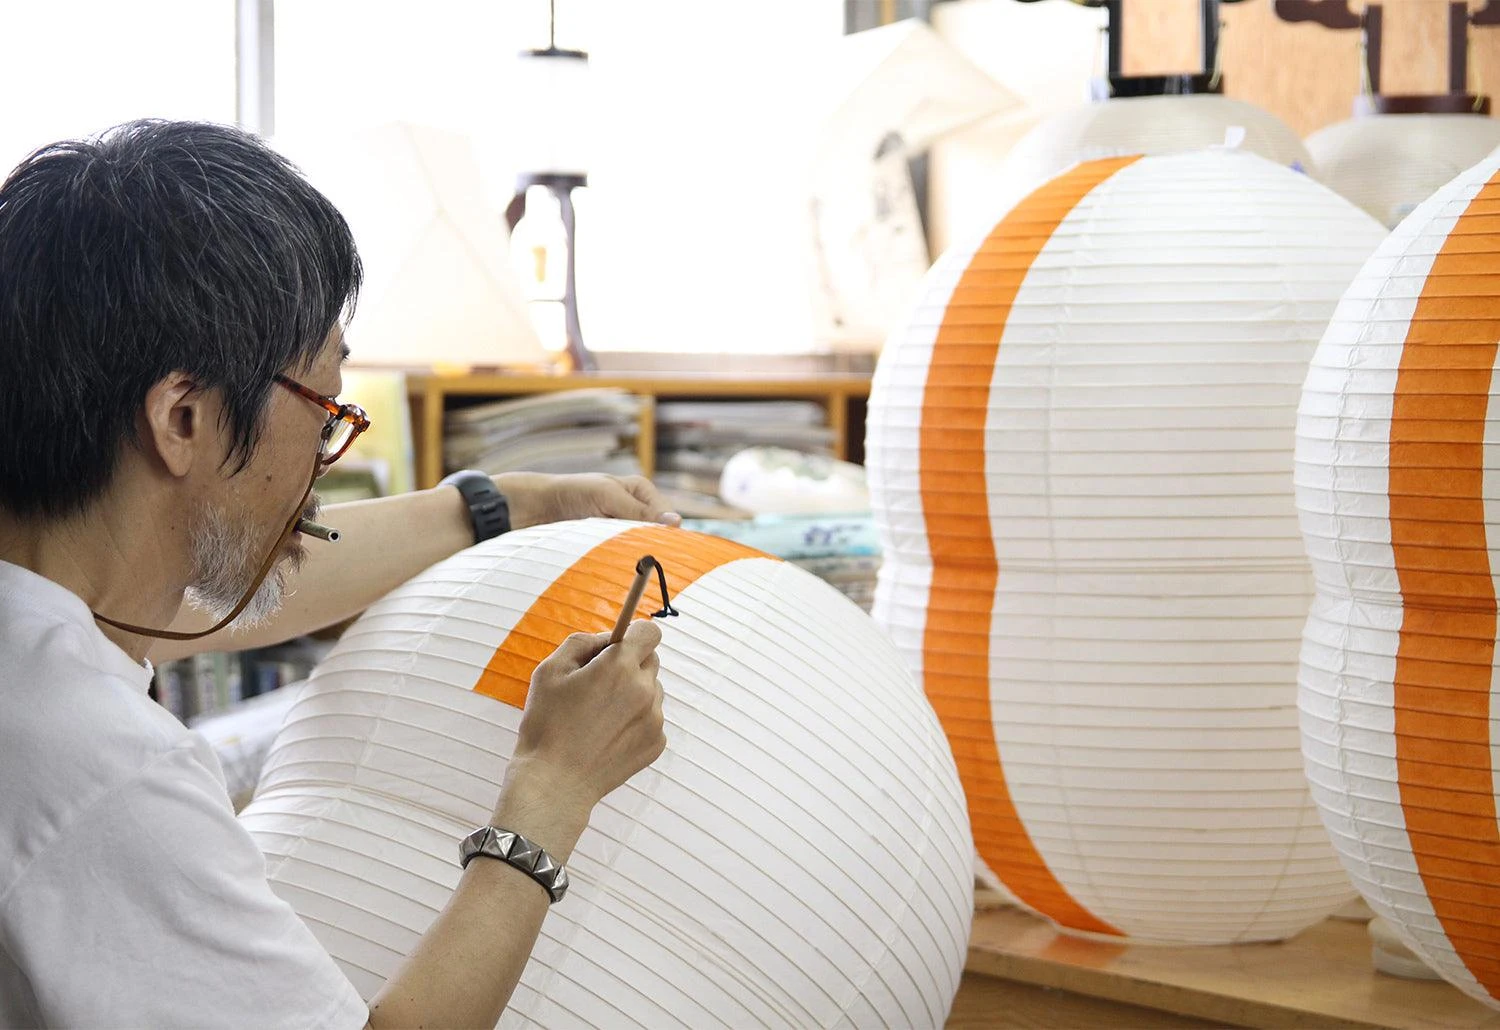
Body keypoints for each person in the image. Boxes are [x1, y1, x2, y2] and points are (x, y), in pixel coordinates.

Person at [0, 119, 677, 1028]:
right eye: (324, 410)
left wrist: (505, 505)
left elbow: (219, 590)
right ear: (183, 418)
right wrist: (552, 789)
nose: (322, 462)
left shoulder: (46, 620)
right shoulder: (107, 770)